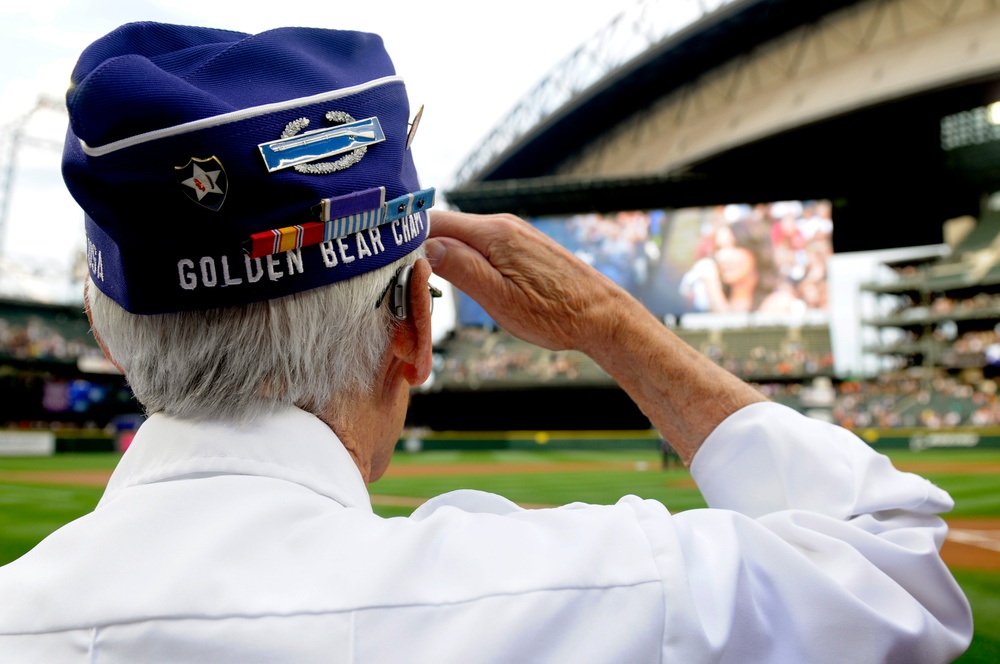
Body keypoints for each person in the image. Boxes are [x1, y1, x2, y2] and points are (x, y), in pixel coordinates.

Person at [0, 22, 972, 663]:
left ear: (106, 329)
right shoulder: (562, 592)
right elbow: (899, 577)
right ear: (415, 330)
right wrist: (615, 323)